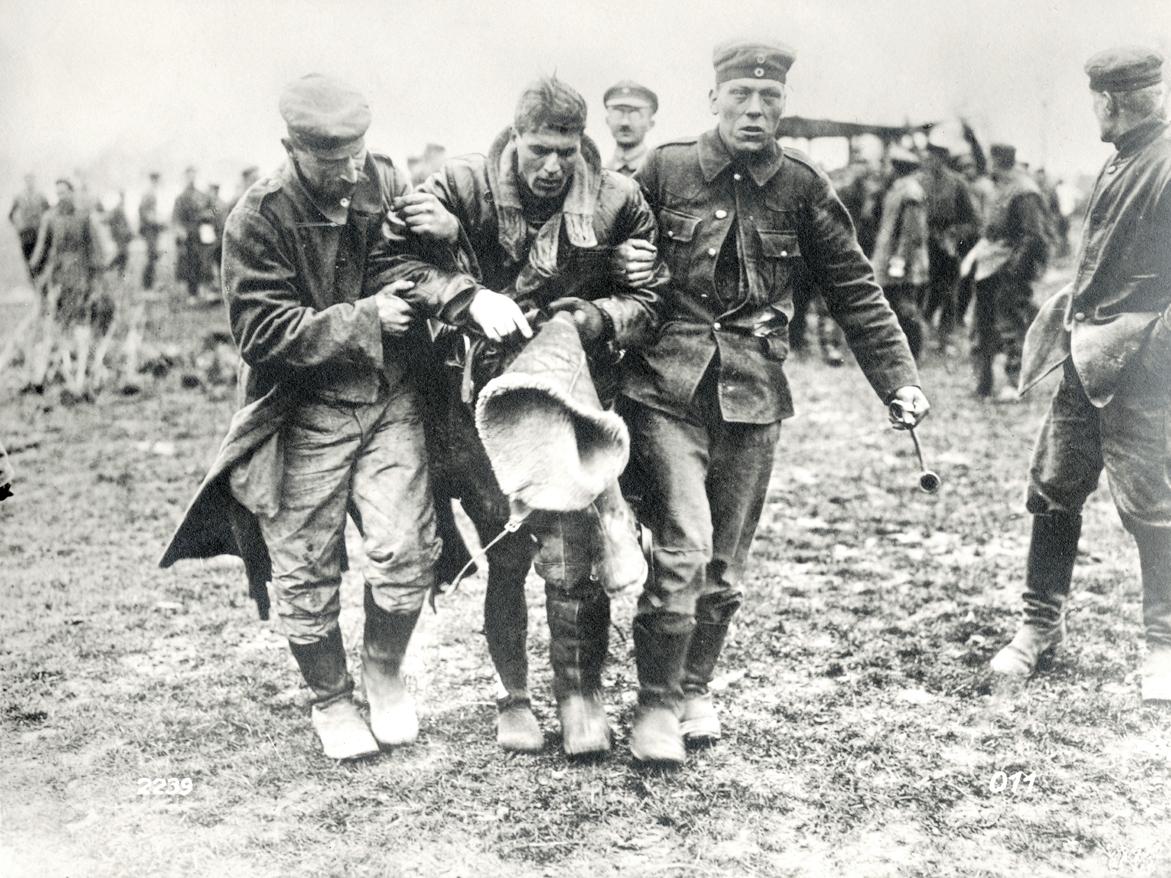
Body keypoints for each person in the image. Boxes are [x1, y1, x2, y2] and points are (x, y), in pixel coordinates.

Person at [159, 74, 530, 760]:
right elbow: (259, 332)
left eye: (359, 152)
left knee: (407, 548)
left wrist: (447, 240)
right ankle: (331, 697)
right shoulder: (257, 217)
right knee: (304, 564)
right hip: (302, 411)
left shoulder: (382, 178)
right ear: (292, 150)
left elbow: (409, 265)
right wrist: (363, 319)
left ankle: (384, 673)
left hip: (391, 397)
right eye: (334, 159)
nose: (353, 170)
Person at [620, 39, 928, 765]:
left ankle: (694, 687)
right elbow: (608, 250)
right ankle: (655, 705)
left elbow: (854, 288)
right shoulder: (664, 169)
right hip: (666, 390)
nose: (754, 110)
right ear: (714, 100)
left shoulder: (801, 186)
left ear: (782, 106)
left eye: (769, 99)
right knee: (684, 547)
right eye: (740, 97)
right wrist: (621, 263)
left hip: (754, 395)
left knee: (724, 565)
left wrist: (899, 380)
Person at [401, 75, 666, 756]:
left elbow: (651, 301)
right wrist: (466, 296)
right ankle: (513, 697)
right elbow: (395, 265)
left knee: (574, 547)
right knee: (508, 551)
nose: (551, 166)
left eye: (565, 151)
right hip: (477, 398)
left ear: (583, 143)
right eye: (538, 149)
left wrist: (596, 317)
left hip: (570, 395)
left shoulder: (616, 199)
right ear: (515, 136)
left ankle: (580, 696)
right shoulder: (462, 184)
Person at [990, 47, 1171, 702]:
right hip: (1085, 356)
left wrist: (1155, 352)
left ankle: (1163, 645)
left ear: (1110, 100)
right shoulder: (1122, 159)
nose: (1095, 109)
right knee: (1053, 489)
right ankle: (1041, 625)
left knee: (1152, 505)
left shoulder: (1164, 163)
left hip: (1141, 367)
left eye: (1097, 99)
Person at [964, 143, 1050, 399]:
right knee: (981, 325)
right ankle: (982, 383)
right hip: (988, 266)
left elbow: (1033, 236)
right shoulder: (999, 186)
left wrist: (1013, 270)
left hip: (1009, 270)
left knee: (1011, 326)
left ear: (997, 161)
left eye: (990, 160)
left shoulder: (1024, 190)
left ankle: (1015, 383)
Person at [27, 178, 113, 397]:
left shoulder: (83, 216)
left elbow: (94, 247)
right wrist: (35, 267)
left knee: (79, 315)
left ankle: (79, 363)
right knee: (57, 319)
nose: (61, 197)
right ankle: (59, 362)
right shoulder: (50, 217)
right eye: (58, 193)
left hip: (79, 273)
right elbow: (42, 247)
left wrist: (97, 274)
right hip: (57, 274)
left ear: (72, 193)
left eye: (64, 192)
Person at [918, 135, 979, 348]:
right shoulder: (918, 181)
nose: (930, 161)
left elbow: (972, 220)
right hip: (922, 243)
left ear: (943, 159)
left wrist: (953, 235)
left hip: (947, 245)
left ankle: (946, 336)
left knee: (948, 292)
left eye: (934, 157)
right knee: (922, 290)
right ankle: (922, 330)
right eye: (928, 157)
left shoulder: (957, 183)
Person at [870, 145, 929, 360]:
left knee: (905, 308)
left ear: (896, 167)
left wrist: (899, 264)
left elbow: (911, 234)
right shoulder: (898, 189)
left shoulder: (911, 192)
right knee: (893, 307)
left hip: (902, 264)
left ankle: (913, 353)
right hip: (890, 261)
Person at [171, 166, 214, 301]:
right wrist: (180, 231)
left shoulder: (203, 195)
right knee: (191, 263)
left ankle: (206, 291)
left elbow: (214, 210)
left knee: (206, 262)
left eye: (193, 175)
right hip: (189, 236)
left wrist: (207, 215)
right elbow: (176, 218)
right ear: (185, 178)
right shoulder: (181, 198)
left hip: (202, 233)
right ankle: (192, 294)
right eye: (189, 176)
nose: (191, 178)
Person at [603, 81, 658, 177]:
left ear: (650, 124)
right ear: (608, 121)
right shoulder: (601, 172)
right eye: (618, 114)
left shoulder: (657, 173)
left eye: (635, 115)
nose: (625, 123)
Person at [9, 174, 50, 265]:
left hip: (39, 232)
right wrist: (18, 227)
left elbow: (49, 211)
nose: (29, 183)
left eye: (31, 180)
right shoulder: (19, 197)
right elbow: (11, 215)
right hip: (25, 233)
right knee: (28, 260)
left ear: (34, 181)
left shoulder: (41, 196)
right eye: (27, 180)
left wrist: (45, 225)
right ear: (25, 182)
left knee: (41, 259)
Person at [138, 172, 165, 290]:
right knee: (152, 255)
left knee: (153, 255)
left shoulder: (152, 193)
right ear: (154, 180)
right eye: (156, 180)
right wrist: (158, 222)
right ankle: (147, 284)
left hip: (153, 229)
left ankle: (150, 283)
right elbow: (145, 213)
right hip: (150, 230)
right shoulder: (149, 194)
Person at [105, 191, 134, 279]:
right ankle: (108, 268)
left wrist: (129, 232)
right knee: (122, 254)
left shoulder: (121, 209)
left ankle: (117, 273)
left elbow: (125, 223)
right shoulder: (117, 209)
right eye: (122, 197)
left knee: (123, 255)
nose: (123, 199)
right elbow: (111, 222)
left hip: (124, 236)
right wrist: (117, 232)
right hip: (120, 236)